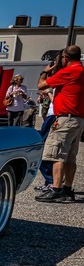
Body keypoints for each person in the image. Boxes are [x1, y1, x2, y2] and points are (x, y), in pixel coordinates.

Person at [35, 45, 84, 203]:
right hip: (78, 119)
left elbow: (41, 85)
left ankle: (55, 189)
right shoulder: (81, 71)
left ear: (65, 58)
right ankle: (67, 190)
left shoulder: (69, 71)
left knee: (57, 155)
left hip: (65, 118)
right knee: (70, 157)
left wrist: (46, 70)